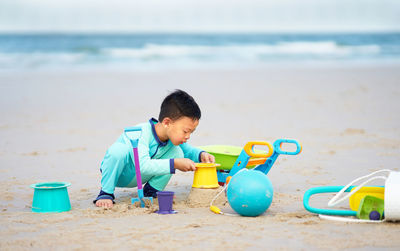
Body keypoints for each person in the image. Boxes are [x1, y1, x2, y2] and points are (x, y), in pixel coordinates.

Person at [94, 89, 215, 208]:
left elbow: (188, 150)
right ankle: (106, 193)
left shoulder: (172, 138)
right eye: (185, 131)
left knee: (177, 152)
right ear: (167, 122)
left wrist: (201, 155)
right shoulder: (141, 132)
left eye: (191, 133)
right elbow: (143, 166)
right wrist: (175, 164)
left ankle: (151, 191)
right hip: (120, 172)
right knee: (118, 151)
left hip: (141, 177)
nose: (188, 136)